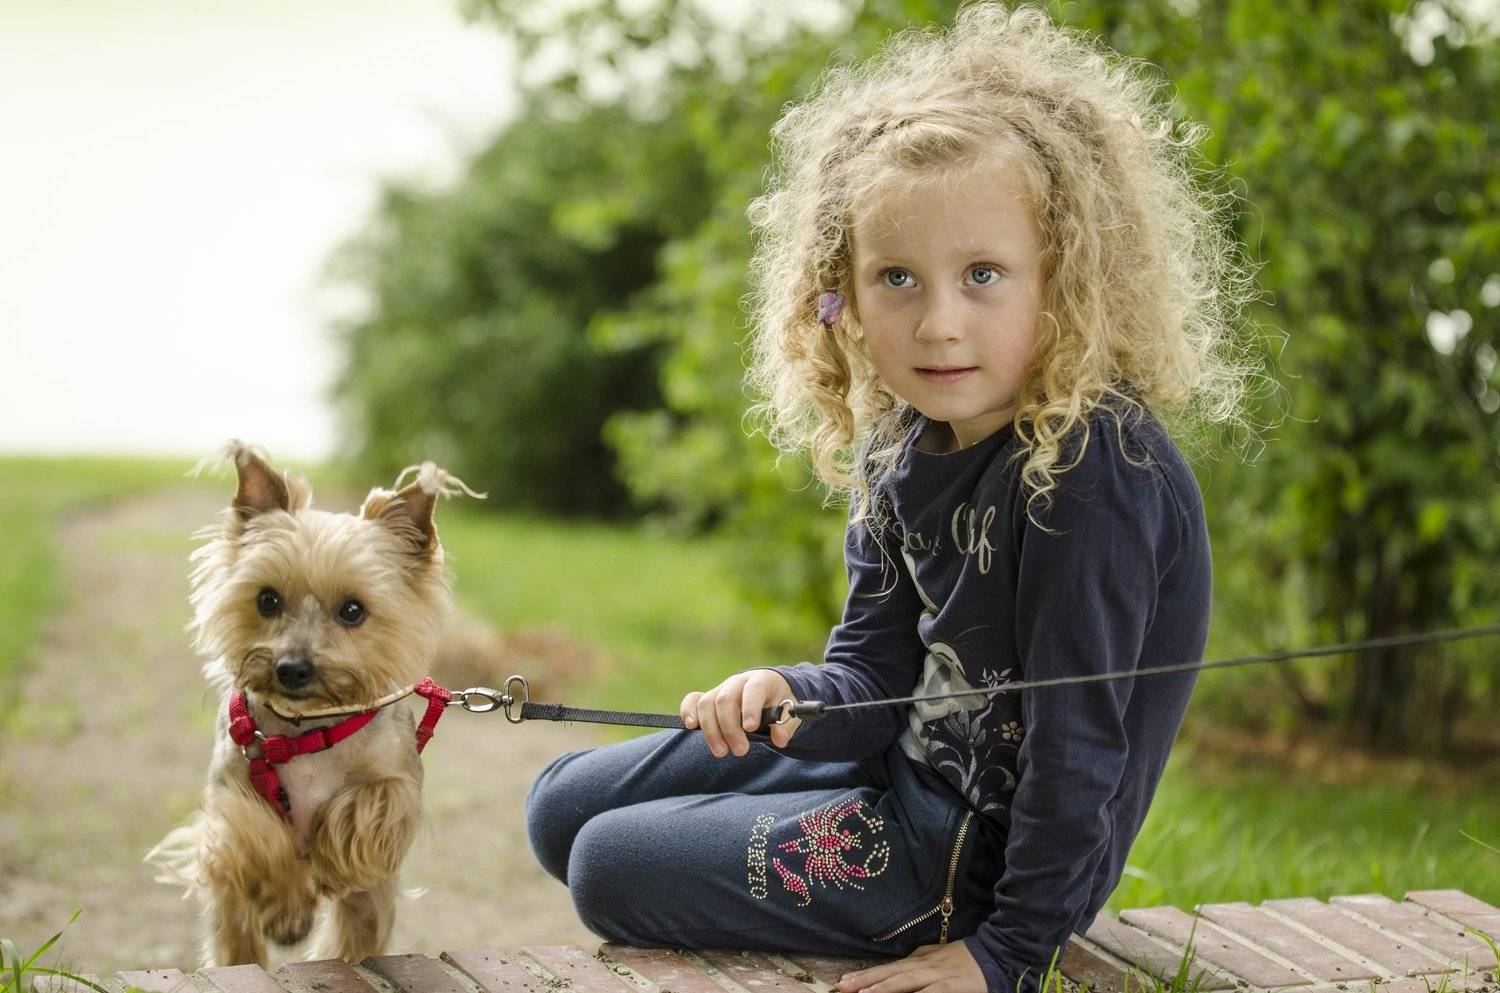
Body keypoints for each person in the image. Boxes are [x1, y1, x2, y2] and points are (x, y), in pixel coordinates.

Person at [524, 4, 1256, 992]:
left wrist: (1007, 953)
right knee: (559, 804)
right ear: (844, 296)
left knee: (608, 865)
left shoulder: (1095, 469)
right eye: (898, 278)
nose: (939, 323)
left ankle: (893, 892)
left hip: (968, 862)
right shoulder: (903, 444)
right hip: (893, 765)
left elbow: (1079, 750)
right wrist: (786, 693)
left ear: (1064, 279)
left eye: (983, 275)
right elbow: (873, 673)